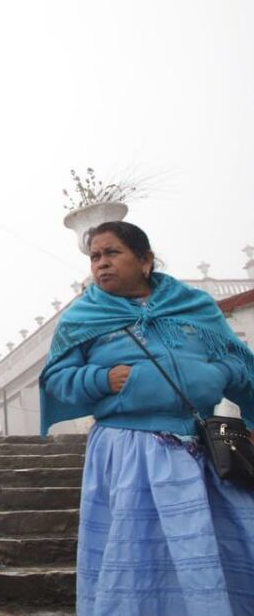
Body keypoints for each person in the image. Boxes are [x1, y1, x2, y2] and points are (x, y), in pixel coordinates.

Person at [40, 221, 254, 616]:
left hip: (204, 450)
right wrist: (101, 378)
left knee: (216, 548)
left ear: (145, 260)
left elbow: (240, 365)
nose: (101, 264)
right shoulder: (82, 317)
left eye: (112, 253)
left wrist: (218, 375)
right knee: (138, 555)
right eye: (95, 257)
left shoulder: (194, 306)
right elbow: (55, 380)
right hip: (129, 453)